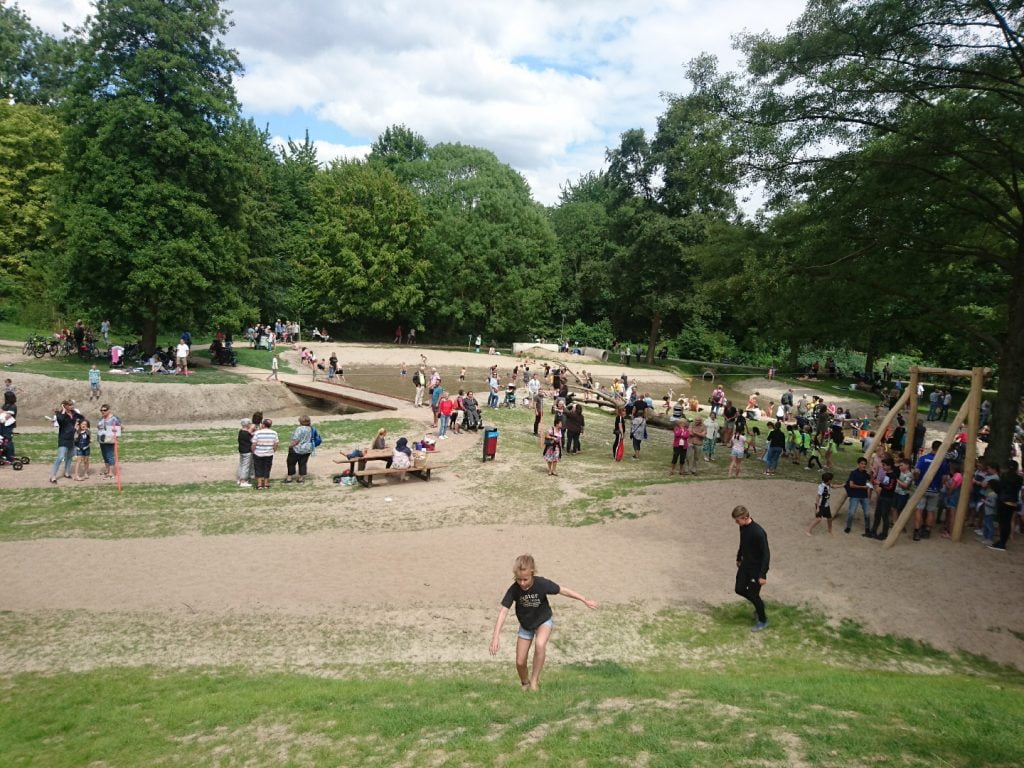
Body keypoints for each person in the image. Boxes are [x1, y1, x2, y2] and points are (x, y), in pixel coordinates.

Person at [489, 554, 597, 691]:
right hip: (526, 625)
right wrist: (495, 637)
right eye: (519, 579)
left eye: (525, 579)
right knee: (520, 661)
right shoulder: (514, 589)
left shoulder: (541, 584)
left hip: (543, 620)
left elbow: (563, 590)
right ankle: (525, 682)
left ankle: (534, 681)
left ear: (532, 573)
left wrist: (584, 600)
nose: (522, 583)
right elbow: (503, 611)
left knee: (540, 644)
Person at [732, 506, 770, 632]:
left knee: (753, 595)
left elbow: (766, 554)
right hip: (745, 565)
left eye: (737, 520)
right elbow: (742, 543)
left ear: (745, 517)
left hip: (756, 569)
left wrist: (762, 575)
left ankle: (763, 620)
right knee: (739, 589)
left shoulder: (758, 532)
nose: (736, 523)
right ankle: (760, 604)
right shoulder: (742, 527)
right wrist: (739, 557)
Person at [913, 440, 950, 541]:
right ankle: (927, 531)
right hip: (934, 489)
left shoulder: (923, 458)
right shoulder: (943, 462)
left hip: (922, 488)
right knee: (931, 511)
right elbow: (945, 477)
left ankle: (916, 531)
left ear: (932, 447)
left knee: (919, 510)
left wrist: (916, 480)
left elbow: (916, 471)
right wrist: (939, 485)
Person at [989, 460, 1023, 552]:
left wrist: (992, 483)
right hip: (1013, 502)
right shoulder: (1019, 479)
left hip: (1004, 501)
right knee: (1007, 523)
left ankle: (1002, 544)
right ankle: (1002, 541)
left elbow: (1000, 488)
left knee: (1003, 523)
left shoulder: (1005, 477)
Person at [49, 400, 82, 483]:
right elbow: (60, 420)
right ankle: (53, 476)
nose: (72, 406)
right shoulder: (60, 414)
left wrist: (79, 425)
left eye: (72, 404)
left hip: (72, 438)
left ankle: (66, 473)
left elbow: (82, 418)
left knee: (70, 456)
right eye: (70, 405)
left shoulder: (74, 413)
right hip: (63, 438)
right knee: (60, 457)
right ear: (65, 406)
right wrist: (63, 410)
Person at [868, 457, 898, 539]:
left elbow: (890, 487)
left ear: (889, 466)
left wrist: (879, 484)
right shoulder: (887, 474)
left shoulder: (893, 476)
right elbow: (885, 485)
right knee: (877, 514)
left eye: (884, 465)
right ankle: (873, 531)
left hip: (888, 499)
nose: (883, 467)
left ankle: (884, 534)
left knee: (885, 516)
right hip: (882, 496)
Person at [843, 457, 872, 534]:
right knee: (851, 513)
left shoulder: (866, 474)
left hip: (864, 496)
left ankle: (867, 528)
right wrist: (862, 487)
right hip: (854, 495)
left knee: (867, 513)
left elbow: (870, 482)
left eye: (865, 464)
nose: (863, 465)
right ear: (858, 464)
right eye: (862, 464)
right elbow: (851, 485)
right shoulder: (853, 473)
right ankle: (848, 527)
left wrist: (873, 473)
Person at [284, 415, 314, 483]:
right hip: (307, 448)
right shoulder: (311, 428)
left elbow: (296, 440)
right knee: (303, 463)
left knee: (291, 462)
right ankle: (301, 478)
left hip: (297, 449)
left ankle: (289, 478)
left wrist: (290, 446)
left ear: (301, 421)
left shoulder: (299, 429)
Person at [251, 418, 279, 490]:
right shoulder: (274, 433)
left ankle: (259, 484)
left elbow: (254, 443)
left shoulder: (258, 433)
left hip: (258, 453)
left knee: (258, 468)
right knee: (267, 468)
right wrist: (273, 450)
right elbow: (276, 444)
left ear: (263, 425)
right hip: (269, 453)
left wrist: (253, 451)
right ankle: (266, 484)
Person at [96, 404, 122, 479]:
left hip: (110, 440)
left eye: (104, 410)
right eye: (101, 410)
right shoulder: (101, 418)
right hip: (102, 440)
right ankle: (107, 470)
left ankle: (111, 473)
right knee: (104, 455)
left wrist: (115, 434)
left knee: (110, 455)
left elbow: (121, 427)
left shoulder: (114, 419)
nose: (102, 412)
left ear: (109, 410)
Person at [237, 418, 254, 487]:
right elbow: (251, 438)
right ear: (247, 424)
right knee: (245, 466)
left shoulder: (241, 431)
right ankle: (243, 481)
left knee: (241, 465)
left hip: (242, 450)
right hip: (247, 451)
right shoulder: (246, 433)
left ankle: (240, 479)